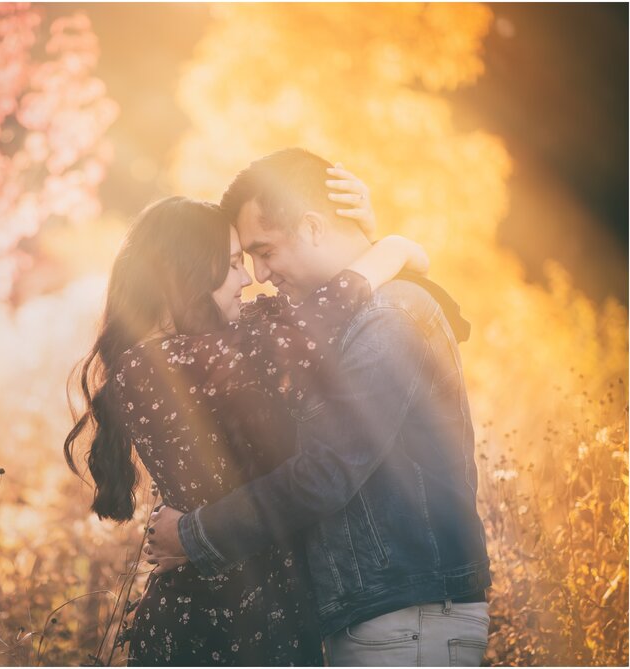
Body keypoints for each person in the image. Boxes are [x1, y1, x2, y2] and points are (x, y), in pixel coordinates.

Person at [64, 171, 429, 665]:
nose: (248, 278)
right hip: (216, 627)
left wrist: (367, 236)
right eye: (234, 264)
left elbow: (317, 297)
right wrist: (397, 244)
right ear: (189, 270)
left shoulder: (205, 351)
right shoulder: (163, 365)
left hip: (259, 617)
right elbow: (330, 305)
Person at [147, 148, 491, 666]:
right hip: (384, 614)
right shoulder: (342, 320)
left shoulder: (389, 317)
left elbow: (326, 472)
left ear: (311, 226)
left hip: (409, 617)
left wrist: (194, 534)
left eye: (265, 250)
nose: (259, 274)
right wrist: (392, 245)